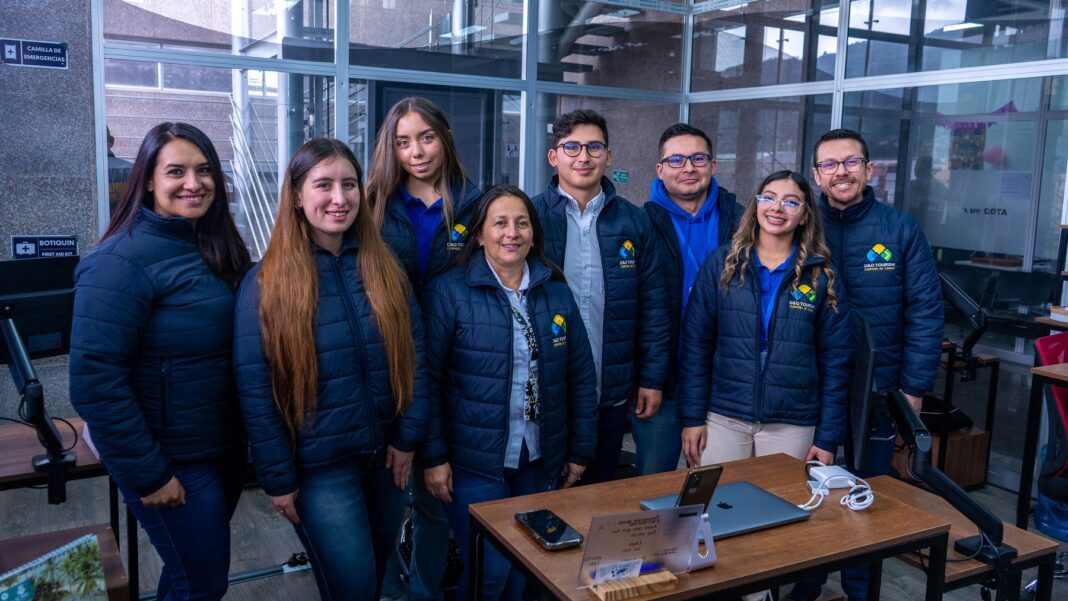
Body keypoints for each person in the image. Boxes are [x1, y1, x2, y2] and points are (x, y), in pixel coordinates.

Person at [233, 138, 429, 601]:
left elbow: (415, 357)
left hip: (386, 460)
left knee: (377, 578)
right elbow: (256, 390)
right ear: (297, 197)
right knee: (353, 588)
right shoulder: (267, 283)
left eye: (349, 184)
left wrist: (407, 437)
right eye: (324, 185)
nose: (339, 198)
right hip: (321, 471)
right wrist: (278, 477)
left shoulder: (384, 266)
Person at [70, 122, 252, 601]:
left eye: (204, 170)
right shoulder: (117, 261)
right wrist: (150, 474)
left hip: (221, 447)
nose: (194, 183)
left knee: (188, 575)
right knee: (203, 583)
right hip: (170, 459)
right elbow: (94, 383)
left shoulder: (214, 246)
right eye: (176, 172)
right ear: (148, 180)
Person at [787, 129, 943, 601]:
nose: (841, 172)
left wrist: (913, 388)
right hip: (810, 389)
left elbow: (925, 311)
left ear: (869, 169)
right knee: (807, 489)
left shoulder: (900, 229)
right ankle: (807, 584)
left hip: (878, 390)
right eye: (830, 164)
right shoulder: (798, 226)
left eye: (851, 162)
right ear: (816, 174)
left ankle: (860, 591)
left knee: (866, 497)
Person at [421, 185, 599, 601]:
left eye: (522, 223)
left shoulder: (555, 291)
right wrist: (433, 457)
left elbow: (580, 376)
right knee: (491, 571)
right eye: (499, 223)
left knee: (527, 568)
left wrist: (579, 451)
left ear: (534, 234)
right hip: (473, 463)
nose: (512, 233)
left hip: (537, 458)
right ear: (480, 234)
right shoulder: (450, 292)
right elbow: (426, 381)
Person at [366, 96, 481, 601]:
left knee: (436, 498)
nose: (416, 151)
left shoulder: (475, 202)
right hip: (385, 366)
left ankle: (425, 592)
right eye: (403, 141)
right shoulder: (371, 203)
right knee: (385, 500)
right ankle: (388, 590)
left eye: (426, 137)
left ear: (445, 138)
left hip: (453, 366)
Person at [531, 109, 671, 484]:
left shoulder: (634, 222)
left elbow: (654, 307)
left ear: (608, 156)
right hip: (546, 392)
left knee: (598, 495)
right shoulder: (530, 218)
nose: (584, 156)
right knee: (542, 497)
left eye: (594, 147)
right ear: (553, 156)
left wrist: (652, 378)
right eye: (572, 147)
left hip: (609, 392)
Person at [678, 170, 852, 470]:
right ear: (756, 204)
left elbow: (836, 361)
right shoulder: (722, 264)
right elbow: (696, 346)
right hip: (724, 415)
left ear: (805, 216)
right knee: (719, 498)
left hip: (792, 422)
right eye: (768, 198)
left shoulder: (822, 274)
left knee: (782, 499)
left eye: (791, 202)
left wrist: (827, 438)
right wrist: (692, 417)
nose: (777, 208)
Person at [641, 123, 740, 475]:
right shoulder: (639, 224)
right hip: (662, 379)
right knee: (653, 482)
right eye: (676, 160)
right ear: (660, 169)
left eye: (698, 158)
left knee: (719, 482)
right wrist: (648, 376)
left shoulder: (743, 221)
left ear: (713, 165)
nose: (688, 168)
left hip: (725, 378)